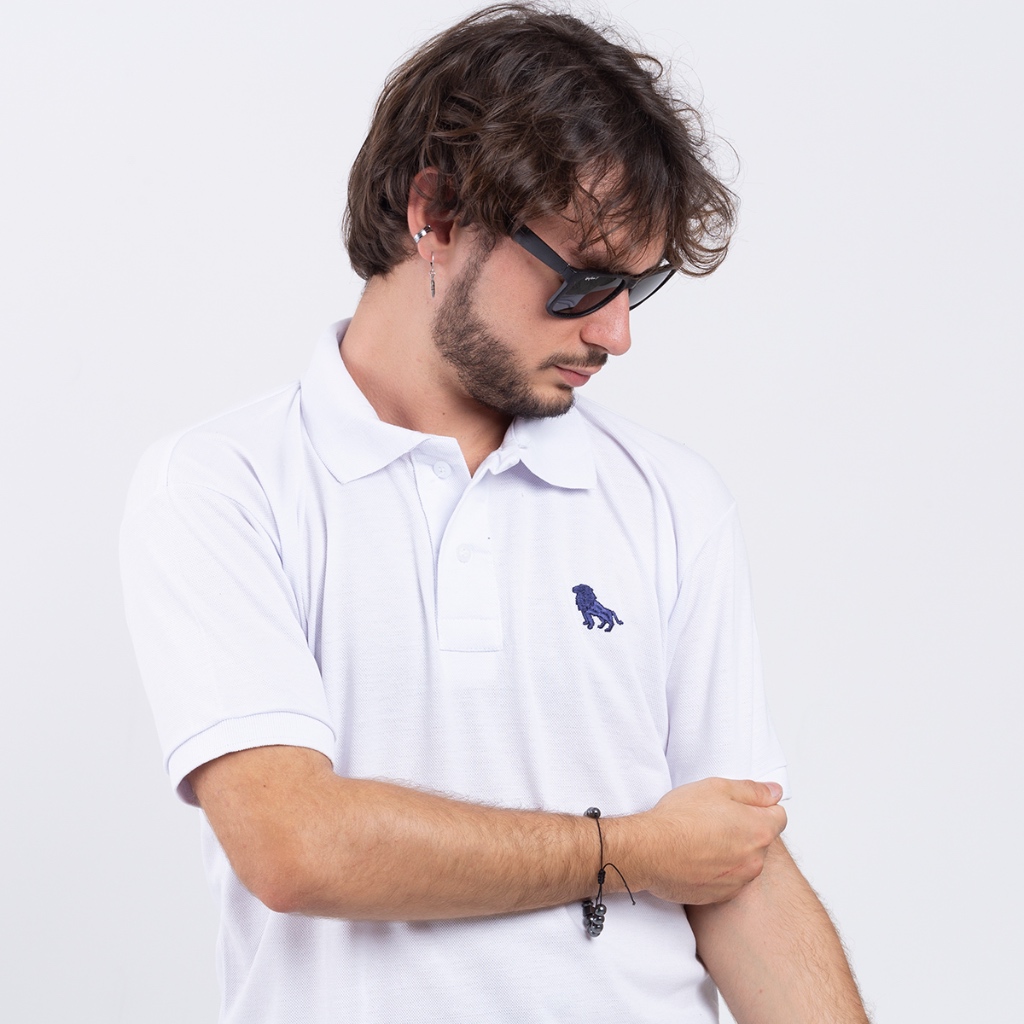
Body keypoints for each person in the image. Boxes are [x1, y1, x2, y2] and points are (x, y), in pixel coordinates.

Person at [120, 4, 870, 1022]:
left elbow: (735, 867)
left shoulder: (671, 500)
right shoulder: (225, 485)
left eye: (639, 286)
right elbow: (295, 845)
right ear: (434, 214)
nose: (615, 332)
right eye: (585, 278)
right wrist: (629, 851)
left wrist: (673, 856)